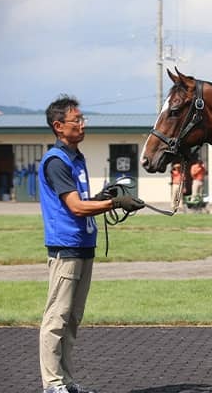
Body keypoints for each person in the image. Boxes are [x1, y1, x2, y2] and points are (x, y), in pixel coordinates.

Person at [38, 95, 145, 393]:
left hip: (84, 246)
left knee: (72, 319)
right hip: (66, 247)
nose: (83, 124)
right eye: (77, 120)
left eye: (83, 119)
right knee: (56, 318)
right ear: (59, 126)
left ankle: (66, 381)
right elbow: (75, 207)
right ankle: (52, 384)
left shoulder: (77, 157)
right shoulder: (57, 161)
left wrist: (100, 198)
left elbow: (83, 202)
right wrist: (115, 202)